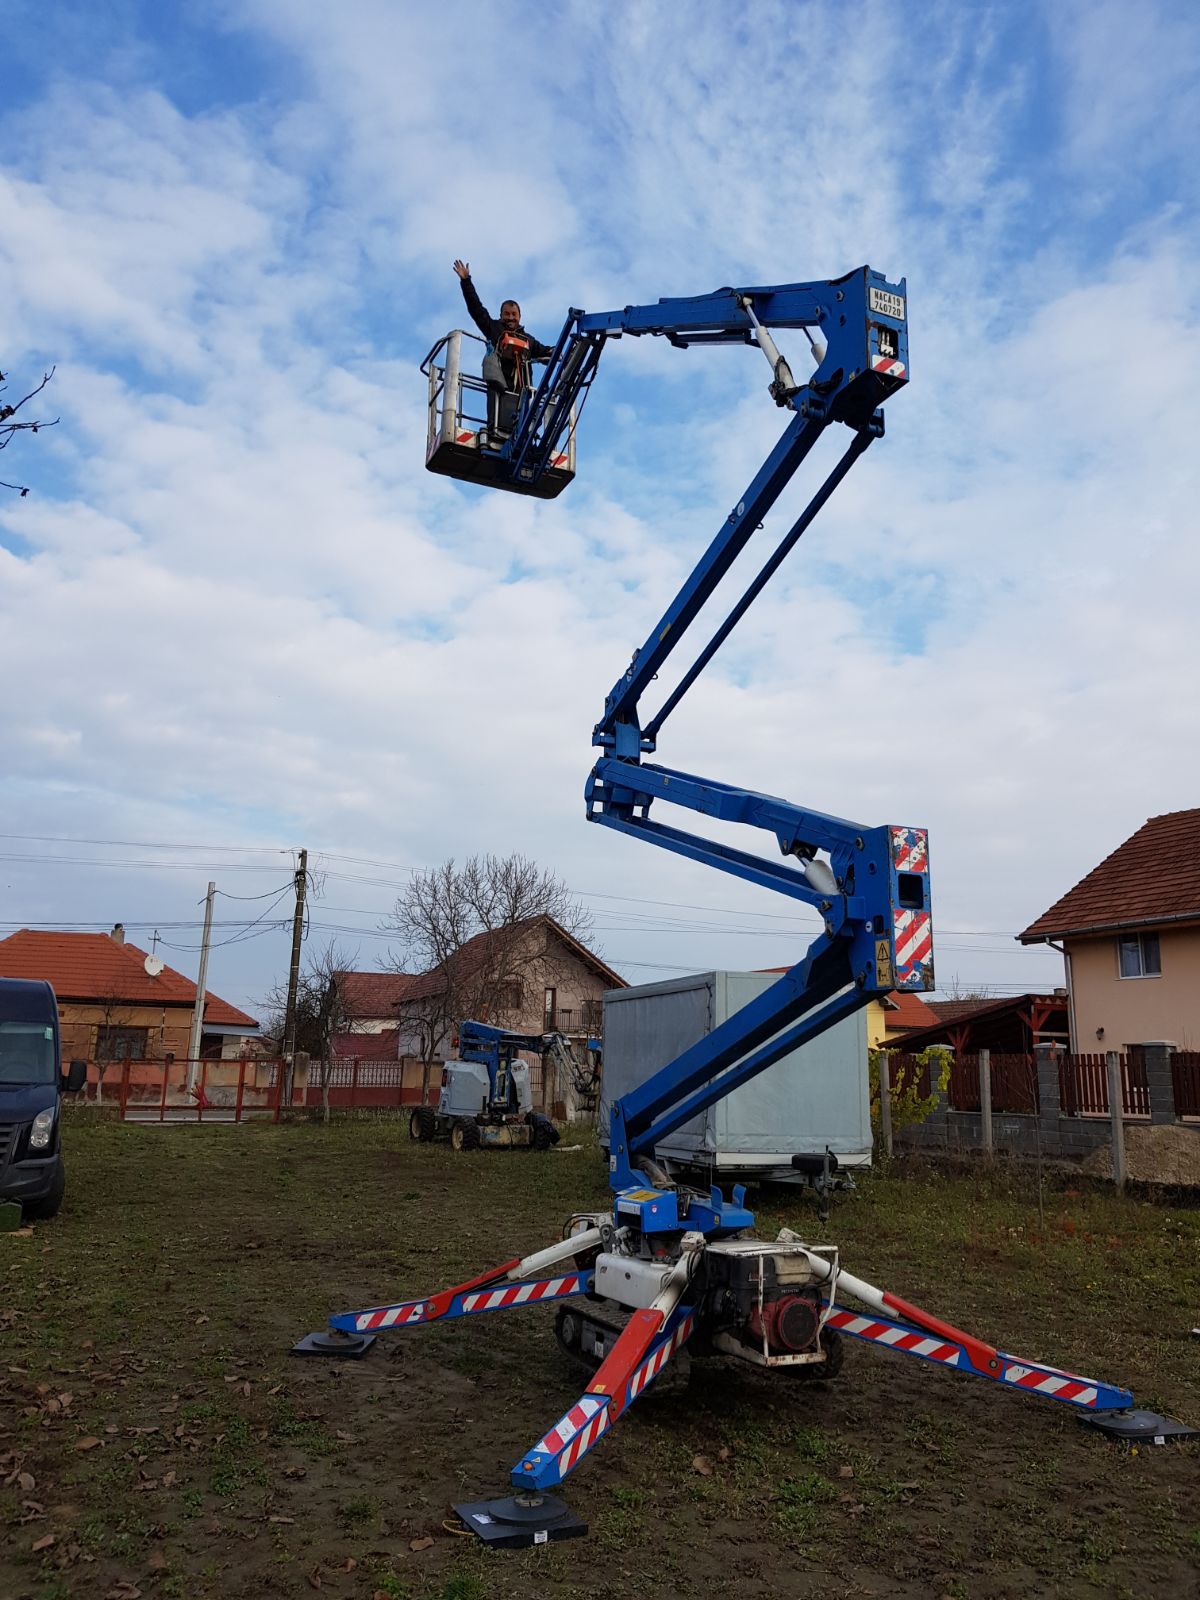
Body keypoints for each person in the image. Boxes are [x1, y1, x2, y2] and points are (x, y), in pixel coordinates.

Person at [452, 260, 552, 437]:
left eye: (514, 314)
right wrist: (466, 281)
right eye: (507, 314)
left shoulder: (528, 340)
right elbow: (476, 309)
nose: (511, 318)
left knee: (525, 413)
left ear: (520, 317)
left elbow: (547, 352)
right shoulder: (494, 329)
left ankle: (524, 434)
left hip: (521, 390)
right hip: (499, 385)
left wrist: (567, 350)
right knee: (497, 404)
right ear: (501, 315)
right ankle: (494, 431)